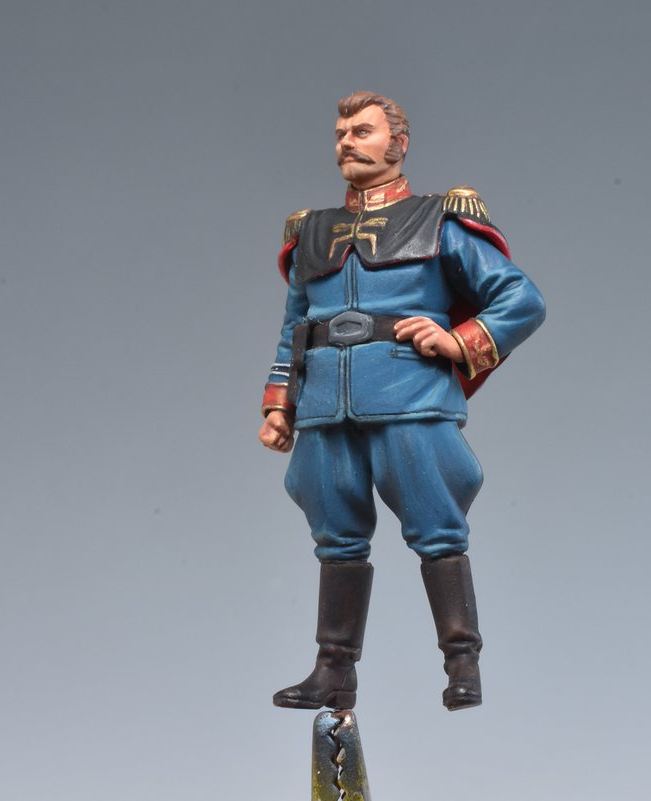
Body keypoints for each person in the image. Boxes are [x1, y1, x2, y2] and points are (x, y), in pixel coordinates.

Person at [259, 91, 545, 711]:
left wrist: (458, 340)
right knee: (335, 537)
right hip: (326, 407)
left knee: (437, 529)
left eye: (362, 130)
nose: (347, 142)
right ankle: (333, 670)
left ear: (398, 143)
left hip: (410, 397)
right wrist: (280, 403)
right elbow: (294, 329)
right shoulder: (312, 232)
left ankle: (463, 664)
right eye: (341, 132)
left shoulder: (439, 220)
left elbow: (520, 299)